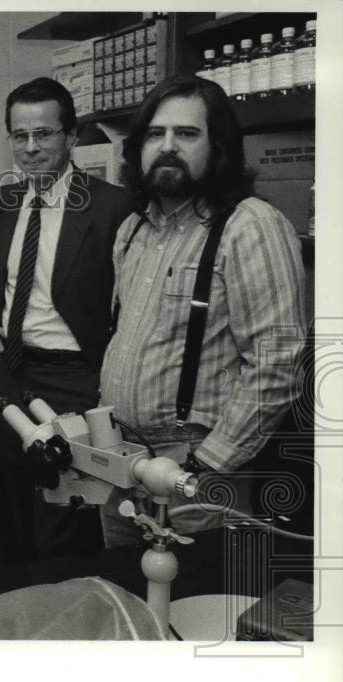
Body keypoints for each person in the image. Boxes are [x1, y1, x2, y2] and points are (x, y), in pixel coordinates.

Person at [99, 75, 307, 546]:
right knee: (128, 604)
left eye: (187, 134)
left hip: (196, 471)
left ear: (218, 147)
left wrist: (207, 465)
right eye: (156, 134)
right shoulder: (132, 229)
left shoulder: (249, 226)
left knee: (196, 610)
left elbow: (278, 363)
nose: (168, 146)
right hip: (122, 463)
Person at [0, 77, 135, 560]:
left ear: (70, 137)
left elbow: (129, 300)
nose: (30, 148)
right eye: (19, 136)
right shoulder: (3, 203)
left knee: (69, 517)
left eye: (43, 134)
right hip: (12, 374)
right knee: (13, 512)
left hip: (76, 379)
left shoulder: (115, 206)